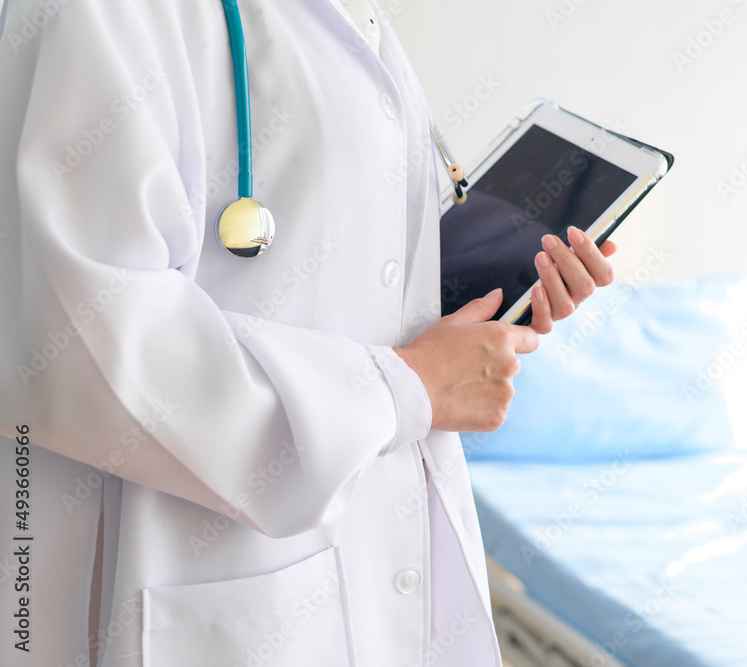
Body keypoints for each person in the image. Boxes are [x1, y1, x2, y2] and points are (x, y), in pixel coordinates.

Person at [0, 0, 616, 664]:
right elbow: (66, 349)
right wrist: (408, 387)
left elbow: (325, 269)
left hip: (371, 554)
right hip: (214, 589)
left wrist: (469, 313)